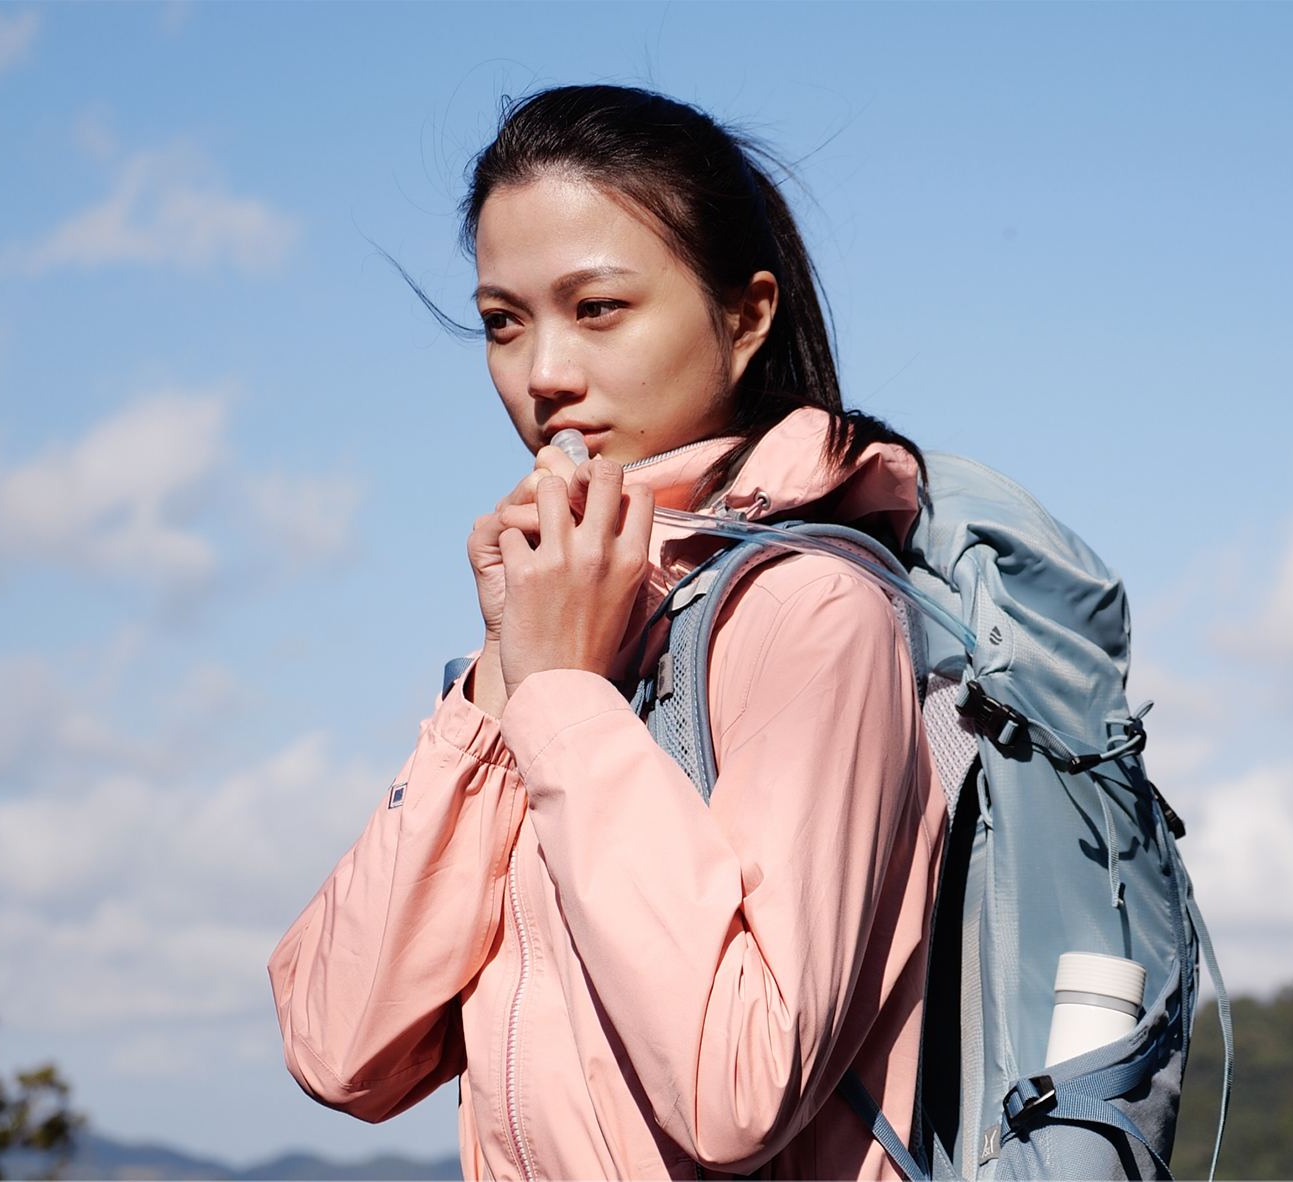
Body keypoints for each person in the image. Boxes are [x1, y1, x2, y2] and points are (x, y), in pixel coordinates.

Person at [268, 85, 946, 1181]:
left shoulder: (815, 614)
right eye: (502, 321)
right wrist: (504, 684)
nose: (543, 374)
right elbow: (340, 1050)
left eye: (595, 309)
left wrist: (562, 702)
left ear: (745, 315)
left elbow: (737, 1086)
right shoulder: (565, 632)